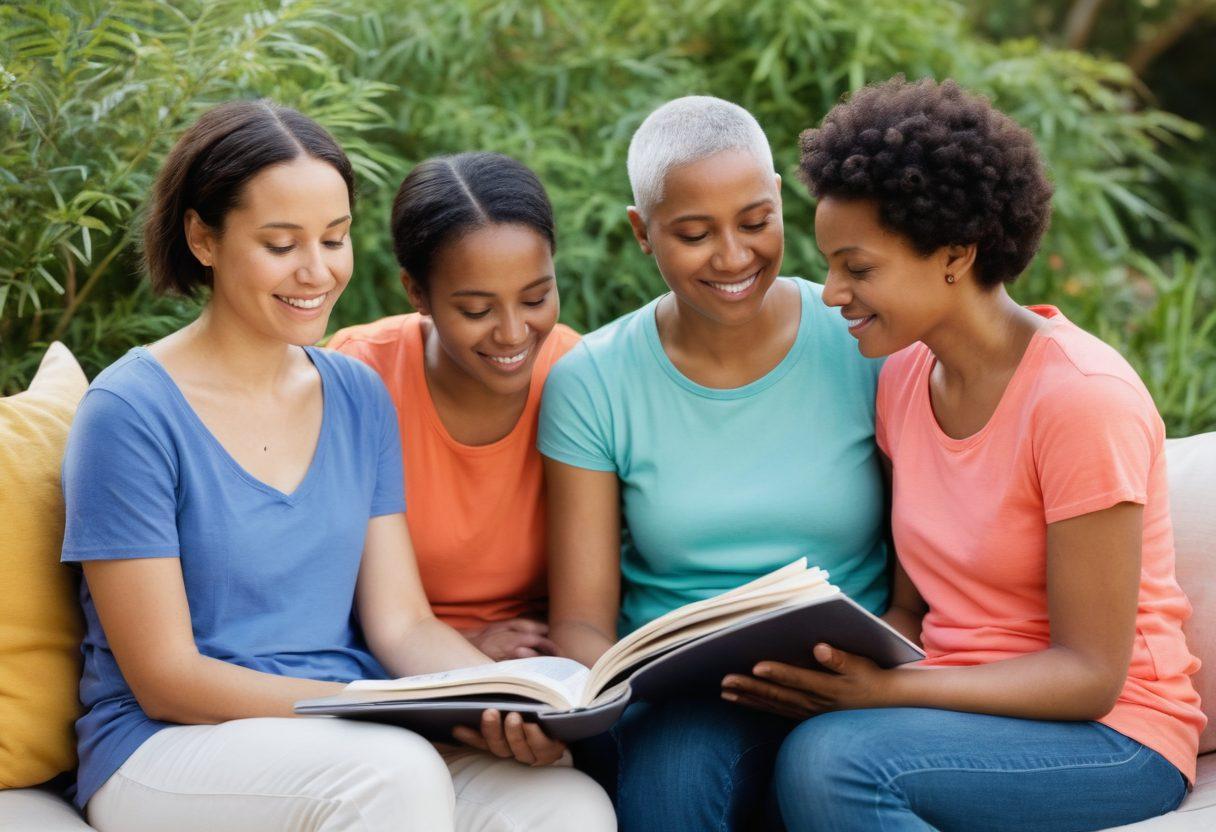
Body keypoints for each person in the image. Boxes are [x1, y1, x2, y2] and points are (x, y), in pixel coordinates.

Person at [60, 100, 614, 832]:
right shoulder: (129, 411)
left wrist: (502, 698)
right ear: (202, 236)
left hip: (346, 732)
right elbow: (167, 679)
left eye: (335, 238)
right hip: (165, 748)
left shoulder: (355, 394)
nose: (316, 271)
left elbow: (403, 623)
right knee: (393, 777)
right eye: (281, 244)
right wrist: (367, 709)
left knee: (565, 806)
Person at [721, 77, 1206, 831]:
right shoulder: (905, 380)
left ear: (954, 255)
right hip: (955, 709)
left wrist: (889, 696)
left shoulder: (1081, 399)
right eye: (830, 264)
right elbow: (916, 609)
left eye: (858, 266)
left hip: (1115, 738)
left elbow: (1090, 677)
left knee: (834, 763)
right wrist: (840, 664)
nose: (830, 292)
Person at [538, 95, 889, 830]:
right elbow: (579, 619)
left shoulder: (864, 338)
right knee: (672, 792)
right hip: (682, 698)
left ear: (781, 203)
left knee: (828, 773)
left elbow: (929, 551)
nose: (733, 257)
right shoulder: (594, 379)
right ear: (642, 232)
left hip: (851, 679)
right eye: (694, 234)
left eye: (756, 222)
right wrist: (594, 700)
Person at [329, 152, 578, 660]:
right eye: (476, 310)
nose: (512, 334)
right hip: (387, 663)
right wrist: (466, 648)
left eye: (535, 299)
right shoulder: (358, 376)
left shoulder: (577, 374)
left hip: (547, 662)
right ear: (417, 292)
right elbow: (319, 586)